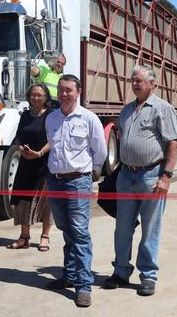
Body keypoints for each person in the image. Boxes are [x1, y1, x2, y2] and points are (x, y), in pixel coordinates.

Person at [103, 65, 177, 297]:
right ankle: (121, 271)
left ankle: (148, 276)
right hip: (126, 175)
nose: (135, 84)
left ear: (152, 84)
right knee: (122, 228)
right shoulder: (126, 110)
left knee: (150, 229)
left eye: (139, 81)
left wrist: (166, 176)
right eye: (132, 80)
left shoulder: (162, 109)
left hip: (151, 176)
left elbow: (172, 144)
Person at [44, 74, 107, 308]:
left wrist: (92, 173)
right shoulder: (51, 119)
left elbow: (99, 151)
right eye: (61, 90)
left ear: (78, 91)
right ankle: (69, 275)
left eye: (68, 90)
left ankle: (83, 285)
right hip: (55, 181)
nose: (63, 94)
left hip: (78, 181)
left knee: (80, 233)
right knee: (65, 229)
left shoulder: (89, 119)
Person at [6, 83, 54, 252]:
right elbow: (19, 138)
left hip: (45, 164)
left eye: (39, 95)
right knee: (23, 201)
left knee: (45, 202)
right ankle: (24, 237)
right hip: (26, 163)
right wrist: (21, 149)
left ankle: (45, 236)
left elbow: (54, 139)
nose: (36, 98)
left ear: (46, 97)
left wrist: (39, 153)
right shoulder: (25, 115)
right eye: (33, 95)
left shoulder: (51, 115)